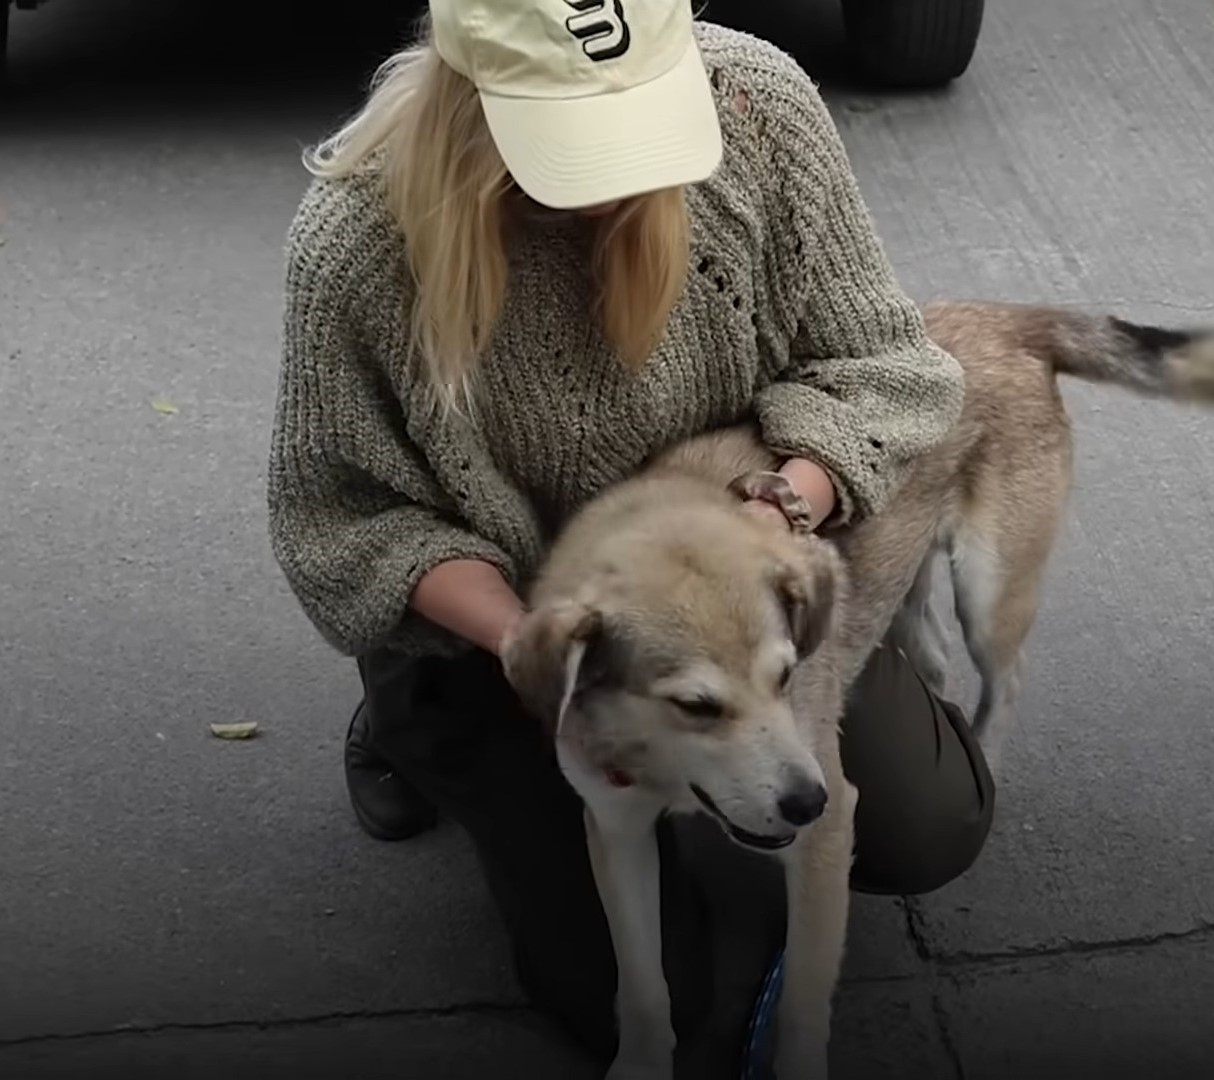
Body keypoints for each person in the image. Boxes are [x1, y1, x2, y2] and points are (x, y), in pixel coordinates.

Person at [267, 0, 994, 1075]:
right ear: (475, 108)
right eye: (574, 148)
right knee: (638, 1009)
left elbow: (885, 367)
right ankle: (406, 717)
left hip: (731, 592)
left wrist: (780, 508)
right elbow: (343, 517)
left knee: (926, 828)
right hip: (520, 626)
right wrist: (541, 646)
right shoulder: (355, 244)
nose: (618, 183)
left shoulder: (758, 106)